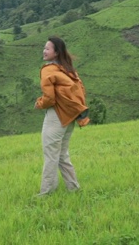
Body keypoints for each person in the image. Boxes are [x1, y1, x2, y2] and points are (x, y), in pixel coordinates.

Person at [34, 36, 90, 195]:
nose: (44, 51)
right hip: (71, 116)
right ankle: (73, 188)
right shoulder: (67, 68)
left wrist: (39, 103)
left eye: (47, 49)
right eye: (44, 48)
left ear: (56, 52)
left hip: (56, 117)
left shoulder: (48, 69)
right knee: (62, 155)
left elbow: (49, 98)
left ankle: (46, 193)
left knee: (51, 155)